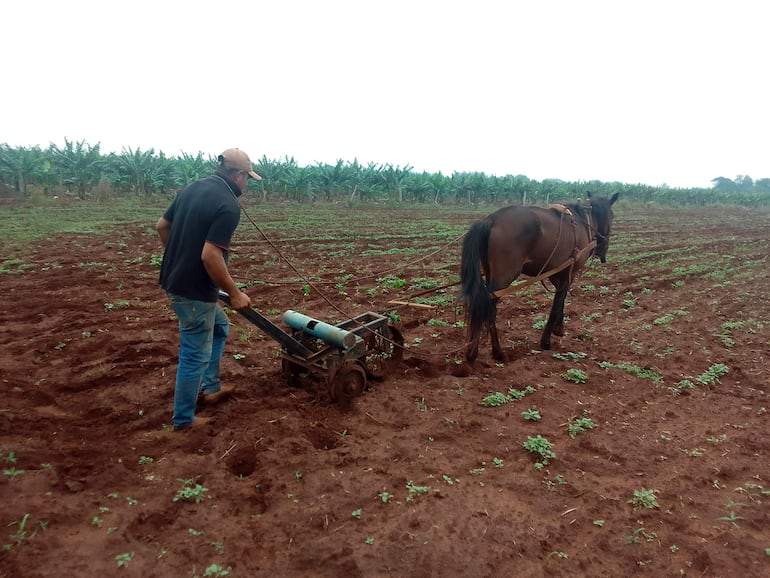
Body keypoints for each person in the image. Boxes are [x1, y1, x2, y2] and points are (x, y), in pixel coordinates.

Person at [155, 148, 260, 430]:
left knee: (220, 327)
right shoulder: (228, 205)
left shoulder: (192, 189)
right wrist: (236, 293)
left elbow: (162, 226)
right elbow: (210, 256)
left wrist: (179, 258)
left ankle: (211, 388)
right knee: (194, 351)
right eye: (247, 178)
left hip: (175, 280)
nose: (246, 184)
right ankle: (184, 421)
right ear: (238, 175)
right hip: (194, 292)